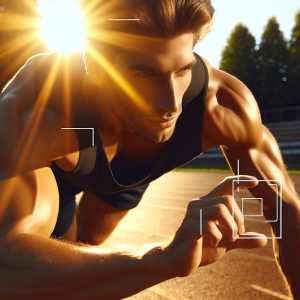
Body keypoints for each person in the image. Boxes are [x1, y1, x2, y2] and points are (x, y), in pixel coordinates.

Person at [0, 0, 299, 299]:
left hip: (130, 173)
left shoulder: (220, 108)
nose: (173, 104)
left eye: (183, 70)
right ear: (96, 66)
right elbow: (8, 268)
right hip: (53, 171)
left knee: (90, 254)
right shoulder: (37, 115)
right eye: (146, 74)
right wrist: (163, 259)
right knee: (52, 278)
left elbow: (287, 212)